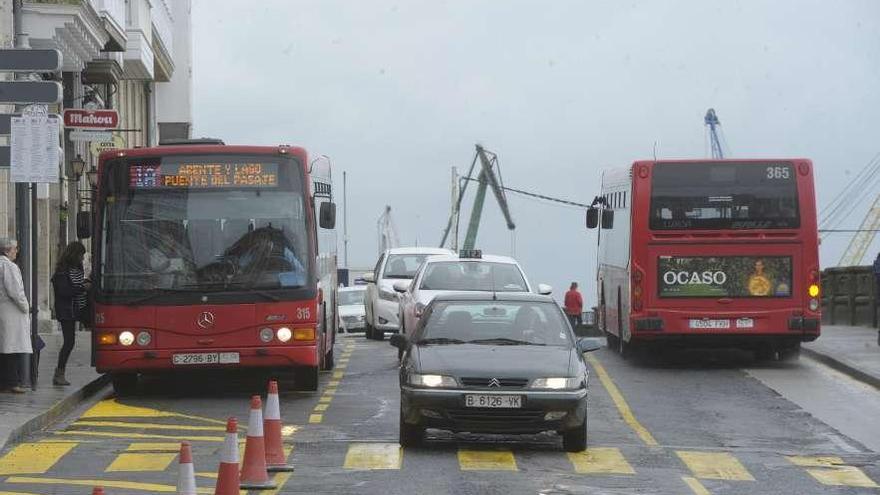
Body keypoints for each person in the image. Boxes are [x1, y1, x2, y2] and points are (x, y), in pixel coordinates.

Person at [51, 241, 89, 386]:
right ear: (74, 255)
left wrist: (85, 284)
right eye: (81, 255)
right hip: (67, 311)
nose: (82, 258)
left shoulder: (77, 268)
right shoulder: (61, 272)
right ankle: (59, 373)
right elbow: (64, 292)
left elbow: (77, 285)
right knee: (69, 342)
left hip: (79, 308)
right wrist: (83, 288)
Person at [0, 238, 32, 393]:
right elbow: (15, 291)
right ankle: (12, 382)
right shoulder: (9, 267)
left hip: (3, 311)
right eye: (15, 249)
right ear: (7, 250)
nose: (16, 251)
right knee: (12, 348)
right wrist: (26, 307)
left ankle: (5, 382)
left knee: (4, 347)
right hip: (12, 312)